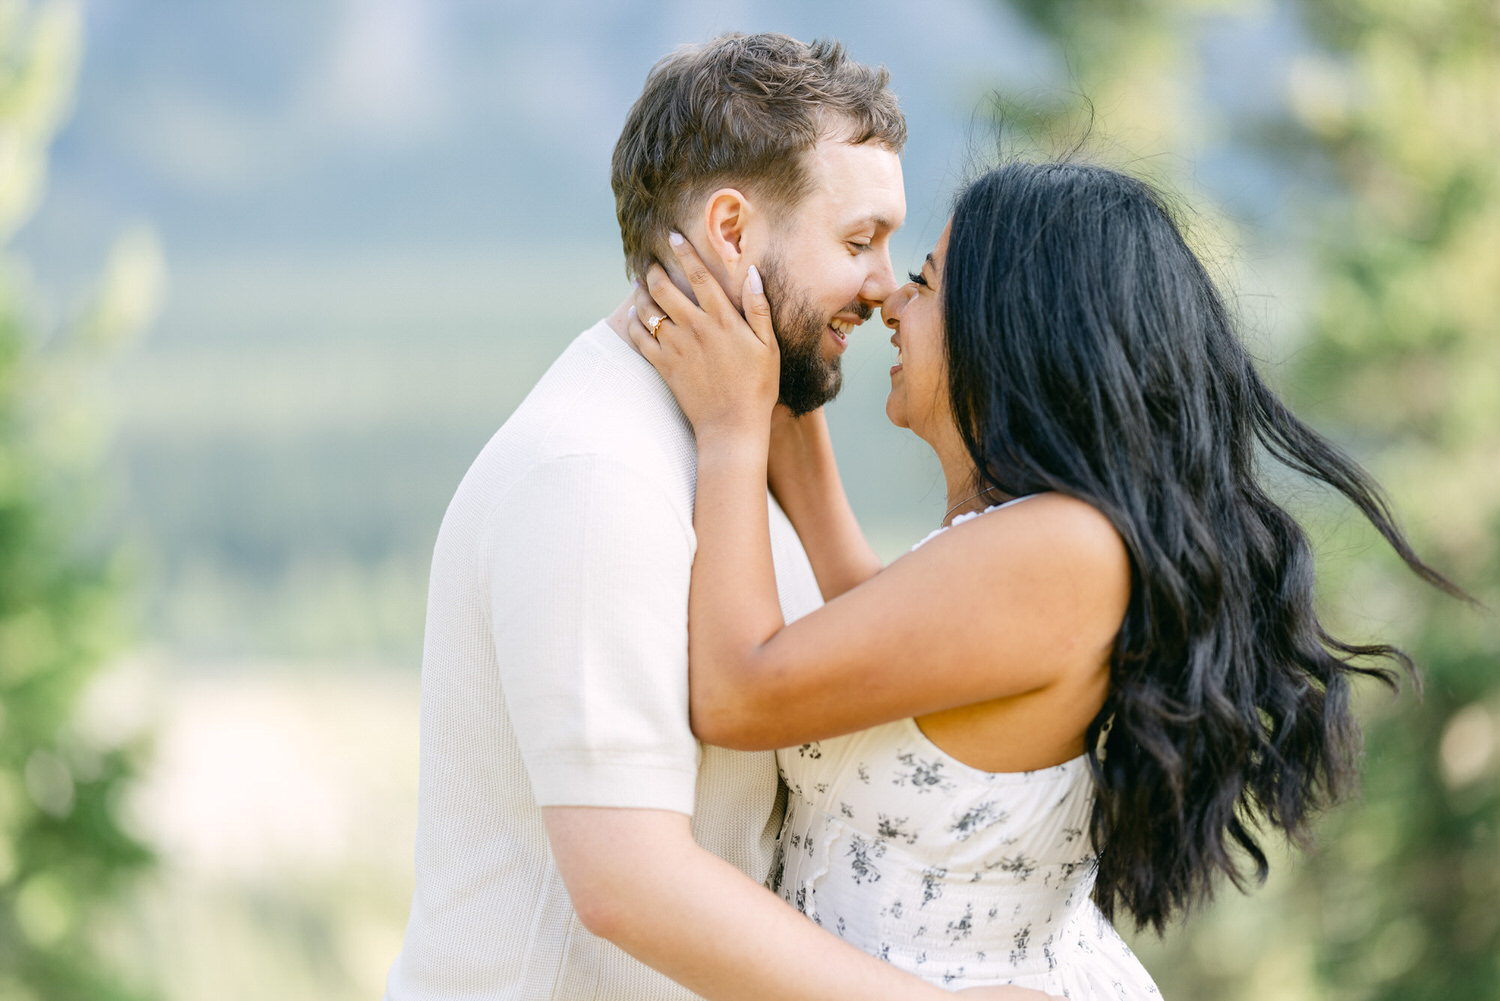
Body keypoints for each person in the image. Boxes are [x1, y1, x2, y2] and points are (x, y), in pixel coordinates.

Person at [625, 160, 1463, 996]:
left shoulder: (1062, 549)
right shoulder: (1037, 542)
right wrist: (780, 378)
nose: (891, 302)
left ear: (1013, 325)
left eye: (924, 281)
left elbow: (738, 692)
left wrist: (732, 430)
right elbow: (869, 637)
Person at [384, 32, 1051, 1001]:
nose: (885, 286)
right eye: (859, 241)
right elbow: (628, 880)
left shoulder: (722, 442)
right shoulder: (592, 470)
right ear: (731, 232)